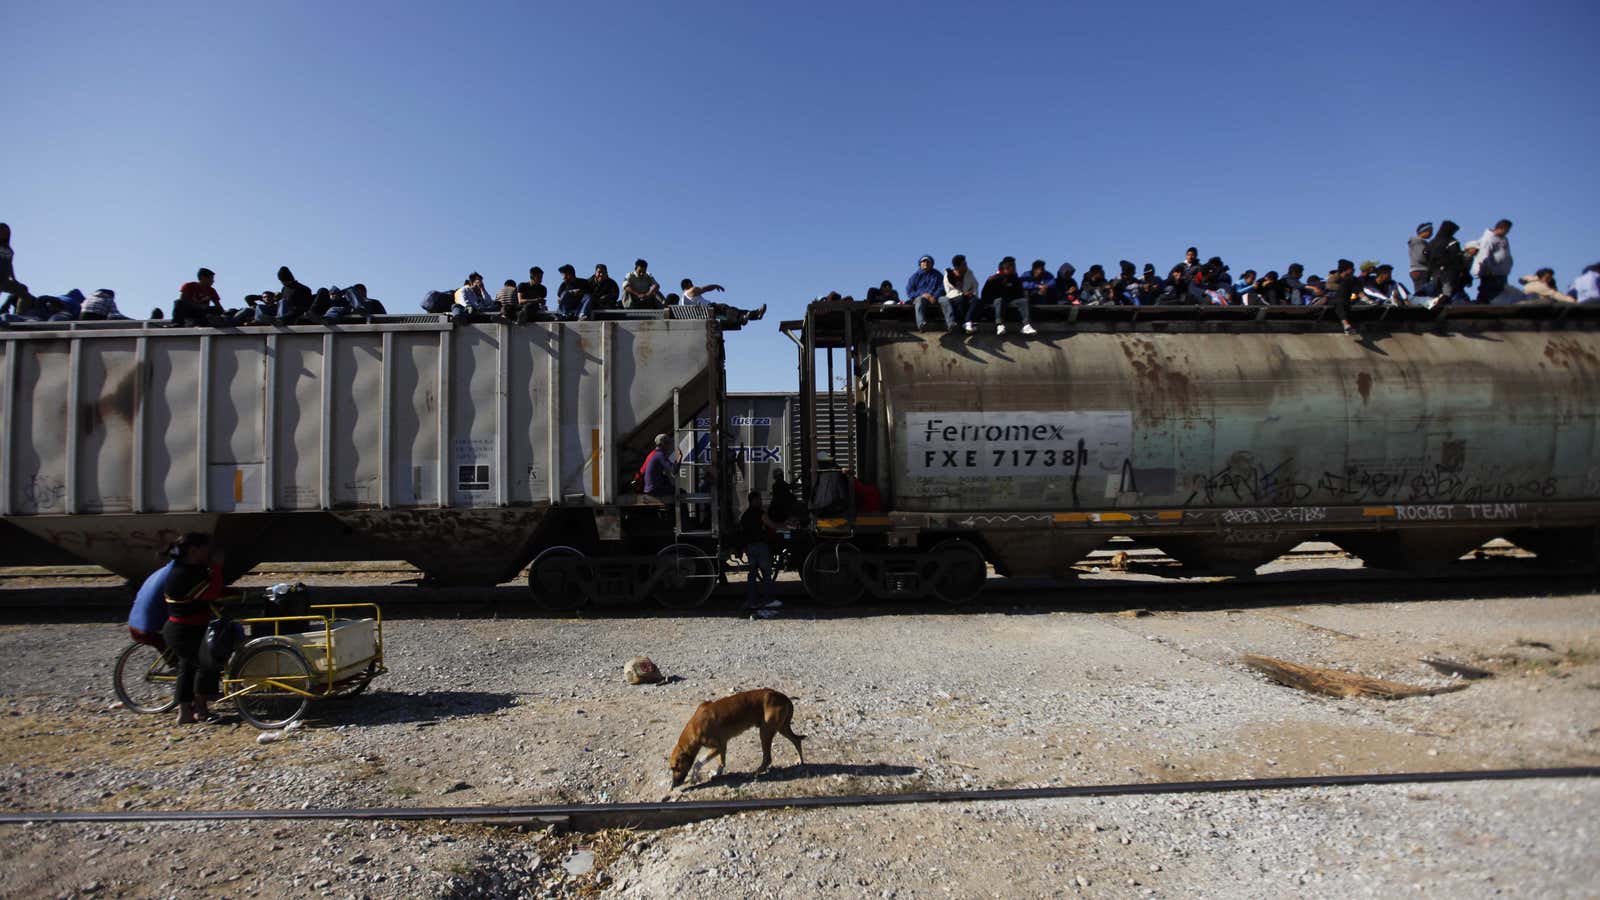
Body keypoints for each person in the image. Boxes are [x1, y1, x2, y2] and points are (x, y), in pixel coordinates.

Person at [159, 533, 224, 725]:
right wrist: (217, 567)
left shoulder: (193, 568)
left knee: (189, 668)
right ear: (194, 550)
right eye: (206, 548)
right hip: (183, 630)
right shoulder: (183, 573)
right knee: (205, 665)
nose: (209, 553)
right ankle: (199, 711)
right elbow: (211, 592)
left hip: (192, 627)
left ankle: (188, 712)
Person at [739, 491, 781, 612]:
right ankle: (767, 600)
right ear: (754, 500)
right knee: (767, 574)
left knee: (752, 576)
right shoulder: (761, 514)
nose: (761, 502)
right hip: (761, 547)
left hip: (750, 548)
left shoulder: (744, 516)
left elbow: (742, 533)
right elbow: (772, 525)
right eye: (759, 500)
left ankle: (752, 602)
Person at [981, 256, 1036, 335]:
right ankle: (999, 325)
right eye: (1011, 266)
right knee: (999, 300)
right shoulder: (993, 279)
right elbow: (985, 296)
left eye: (1014, 266)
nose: (1014, 268)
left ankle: (1026, 325)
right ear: (1005, 268)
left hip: (1011, 303)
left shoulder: (1015, 279)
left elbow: (1020, 294)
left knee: (1024, 301)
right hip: (996, 306)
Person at [680, 277, 767, 324]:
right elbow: (704, 288)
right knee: (725, 308)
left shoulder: (683, 299)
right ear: (688, 284)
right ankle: (742, 318)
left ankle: (756, 314)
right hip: (708, 310)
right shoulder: (690, 291)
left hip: (703, 314)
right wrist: (716, 285)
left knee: (732, 310)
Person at [1426, 220, 1470, 307]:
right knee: (1447, 297)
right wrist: (1464, 272)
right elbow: (1456, 258)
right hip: (1449, 275)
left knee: (1436, 297)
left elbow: (1428, 259)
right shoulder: (1452, 242)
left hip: (1434, 275)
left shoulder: (1432, 243)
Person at [1473, 219, 1514, 303]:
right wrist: (1488, 270)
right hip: (1491, 274)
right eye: (1507, 230)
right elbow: (1484, 256)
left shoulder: (1504, 239)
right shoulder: (1489, 239)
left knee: (1500, 295)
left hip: (1501, 273)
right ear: (1502, 228)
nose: (1508, 232)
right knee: (1488, 294)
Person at [940, 254, 980, 333]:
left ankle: (968, 321)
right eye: (964, 264)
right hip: (954, 297)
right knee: (961, 300)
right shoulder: (948, 275)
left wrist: (972, 293)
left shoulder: (969, 273)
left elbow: (975, 285)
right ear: (957, 267)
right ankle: (961, 323)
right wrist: (962, 293)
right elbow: (948, 290)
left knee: (976, 301)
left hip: (968, 295)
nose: (966, 266)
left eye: (966, 264)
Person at [1321, 259, 1361, 335]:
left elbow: (1358, 289)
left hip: (1348, 299)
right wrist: (1343, 287)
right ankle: (1346, 326)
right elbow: (1329, 286)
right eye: (1351, 268)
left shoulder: (1353, 279)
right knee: (1339, 303)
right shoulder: (1335, 277)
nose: (1354, 270)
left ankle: (1350, 327)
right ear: (1345, 270)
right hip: (1334, 299)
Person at [903, 254, 943, 330]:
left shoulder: (937, 275)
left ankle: (951, 324)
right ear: (920, 264)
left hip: (935, 298)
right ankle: (921, 324)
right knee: (919, 301)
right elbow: (909, 292)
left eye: (928, 262)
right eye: (923, 262)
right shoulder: (914, 276)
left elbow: (942, 287)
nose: (925, 263)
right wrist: (923, 294)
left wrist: (935, 296)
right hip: (920, 298)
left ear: (932, 264)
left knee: (945, 300)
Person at [810, 452, 850, 516]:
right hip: (834, 509)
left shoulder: (820, 475)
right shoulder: (837, 472)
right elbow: (844, 493)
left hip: (818, 510)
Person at [642, 433, 678, 498]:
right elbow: (674, 470)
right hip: (654, 489)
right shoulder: (660, 455)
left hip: (649, 488)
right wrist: (680, 458)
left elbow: (643, 470)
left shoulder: (652, 454)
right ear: (663, 444)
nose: (669, 446)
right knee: (681, 492)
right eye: (668, 443)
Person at [1408, 223, 1434, 296]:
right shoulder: (1418, 242)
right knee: (1422, 293)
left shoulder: (1420, 242)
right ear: (1424, 231)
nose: (1431, 233)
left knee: (1424, 292)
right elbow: (1420, 257)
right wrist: (1430, 260)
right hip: (1420, 270)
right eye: (1430, 231)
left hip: (1420, 270)